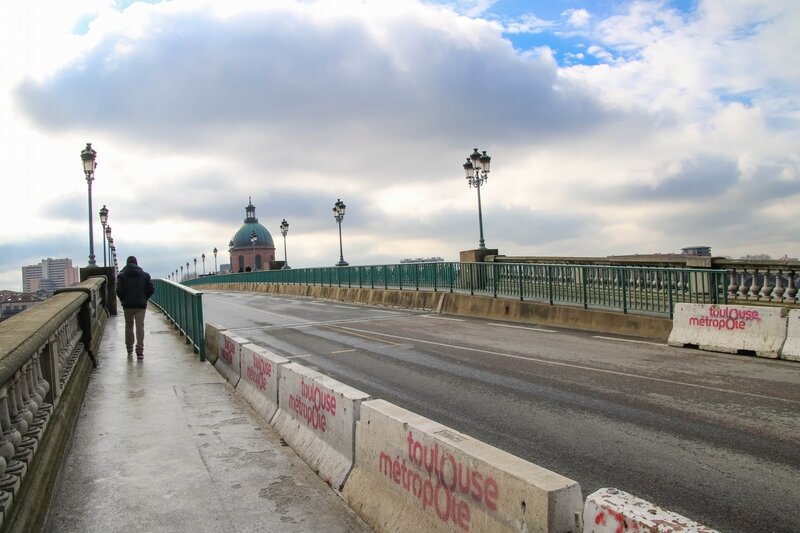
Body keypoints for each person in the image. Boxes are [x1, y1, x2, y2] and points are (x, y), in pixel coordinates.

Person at [116, 256, 155, 359]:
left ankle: (129, 349)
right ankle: (140, 351)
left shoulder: (121, 276)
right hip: (140, 305)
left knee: (128, 326)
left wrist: (123, 300)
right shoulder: (145, 275)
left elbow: (118, 291)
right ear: (136, 263)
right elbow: (151, 289)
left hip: (128, 305)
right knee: (140, 327)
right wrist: (144, 298)